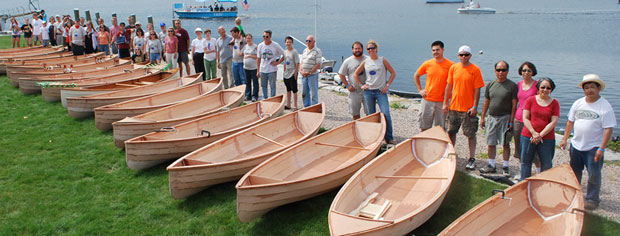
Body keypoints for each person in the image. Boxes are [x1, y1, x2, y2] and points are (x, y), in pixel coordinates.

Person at [560, 74, 616, 210]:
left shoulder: (604, 106)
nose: (589, 90)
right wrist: (565, 138)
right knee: (574, 172)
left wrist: (602, 148)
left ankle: (592, 199)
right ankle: (575, 194)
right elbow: (570, 122)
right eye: (586, 88)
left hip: (593, 147)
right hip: (576, 145)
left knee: (594, 174)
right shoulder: (578, 103)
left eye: (592, 87)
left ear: (598, 88)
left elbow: (608, 129)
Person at [443, 45, 485, 170]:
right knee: (451, 132)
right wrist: (446, 103)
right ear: (458, 56)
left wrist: (475, 106)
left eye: (466, 55)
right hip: (454, 107)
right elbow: (449, 86)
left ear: (470, 56)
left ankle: (472, 158)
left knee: (470, 134)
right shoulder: (453, 68)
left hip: (468, 109)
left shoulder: (475, 70)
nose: (463, 57)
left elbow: (478, 90)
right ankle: (451, 153)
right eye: (461, 55)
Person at [479, 61, 518, 176]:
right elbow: (486, 101)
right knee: (491, 143)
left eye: (503, 70)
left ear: (507, 71)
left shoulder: (512, 86)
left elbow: (514, 105)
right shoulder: (490, 84)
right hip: (491, 118)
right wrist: (482, 117)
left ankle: (505, 166)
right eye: (498, 70)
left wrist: (511, 121)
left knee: (505, 143)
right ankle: (491, 165)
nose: (501, 72)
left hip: (505, 118)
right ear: (495, 71)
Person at [353, 40, 396, 144]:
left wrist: (387, 85)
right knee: (371, 115)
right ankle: (374, 137)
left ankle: (389, 137)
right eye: (368, 49)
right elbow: (356, 74)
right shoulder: (366, 61)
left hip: (381, 92)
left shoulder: (382, 60)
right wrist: (361, 85)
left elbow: (393, 73)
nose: (371, 50)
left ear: (376, 49)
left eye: (372, 48)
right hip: (368, 92)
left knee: (385, 113)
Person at [520, 77, 560, 181]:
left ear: (551, 90)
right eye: (543, 87)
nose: (545, 90)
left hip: (547, 138)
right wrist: (533, 133)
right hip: (528, 136)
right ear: (538, 88)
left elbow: (553, 122)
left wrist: (540, 135)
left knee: (546, 163)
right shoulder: (530, 100)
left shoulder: (555, 103)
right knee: (525, 161)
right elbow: (525, 118)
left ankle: (544, 183)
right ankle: (525, 182)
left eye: (548, 88)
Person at [414, 40, 454, 131]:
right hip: (427, 100)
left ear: (443, 50)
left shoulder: (451, 65)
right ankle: (423, 144)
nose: (435, 52)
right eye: (433, 50)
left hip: (442, 102)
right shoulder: (428, 64)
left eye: (437, 49)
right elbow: (416, 75)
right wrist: (420, 90)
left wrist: (451, 97)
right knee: (423, 127)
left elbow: (455, 82)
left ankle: (438, 145)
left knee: (440, 129)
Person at [513, 62, 541, 180]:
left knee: (533, 148)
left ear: (533, 72)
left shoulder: (537, 85)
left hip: (531, 121)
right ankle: (522, 172)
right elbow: (515, 102)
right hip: (518, 119)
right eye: (524, 70)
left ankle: (539, 172)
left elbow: (541, 102)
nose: (526, 72)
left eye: (529, 70)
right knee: (520, 148)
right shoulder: (519, 84)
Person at [339, 41, 368, 120]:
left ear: (362, 49)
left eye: (359, 48)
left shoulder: (368, 59)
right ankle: (357, 128)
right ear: (352, 50)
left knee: (369, 113)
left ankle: (369, 129)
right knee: (355, 113)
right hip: (354, 91)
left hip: (367, 90)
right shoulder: (347, 61)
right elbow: (341, 74)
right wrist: (347, 85)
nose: (357, 50)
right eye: (355, 49)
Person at [256, 29, 285, 99]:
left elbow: (285, 54)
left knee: (272, 86)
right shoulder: (260, 45)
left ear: (270, 37)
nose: (265, 38)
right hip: (263, 69)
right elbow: (258, 58)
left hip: (272, 69)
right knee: (263, 86)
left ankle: (272, 99)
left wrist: (278, 62)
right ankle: (264, 99)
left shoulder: (275, 45)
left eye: (267, 37)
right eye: (264, 36)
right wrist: (258, 70)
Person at [300, 35, 322, 107]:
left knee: (313, 93)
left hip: (312, 75)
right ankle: (306, 106)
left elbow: (318, 64)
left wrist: (310, 72)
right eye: (306, 41)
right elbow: (301, 62)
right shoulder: (305, 50)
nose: (308, 42)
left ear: (314, 42)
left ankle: (314, 107)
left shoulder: (317, 51)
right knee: (304, 92)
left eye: (309, 41)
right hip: (304, 75)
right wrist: (301, 71)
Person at [283, 36, 300, 110]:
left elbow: (297, 63)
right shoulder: (285, 51)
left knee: (294, 90)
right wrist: (284, 70)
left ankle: (295, 105)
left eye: (290, 42)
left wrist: (296, 73)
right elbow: (285, 61)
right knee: (288, 89)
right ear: (285, 43)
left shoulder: (294, 52)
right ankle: (288, 104)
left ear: (292, 43)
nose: (288, 43)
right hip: (286, 73)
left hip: (292, 72)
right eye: (287, 42)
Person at [242, 34, 259, 101]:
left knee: (255, 82)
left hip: (254, 68)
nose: (248, 39)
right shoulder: (245, 46)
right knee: (247, 82)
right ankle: (248, 95)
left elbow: (258, 56)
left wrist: (249, 56)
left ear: (252, 39)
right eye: (247, 38)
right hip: (246, 68)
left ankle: (255, 96)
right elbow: (242, 54)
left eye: (249, 38)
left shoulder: (255, 47)